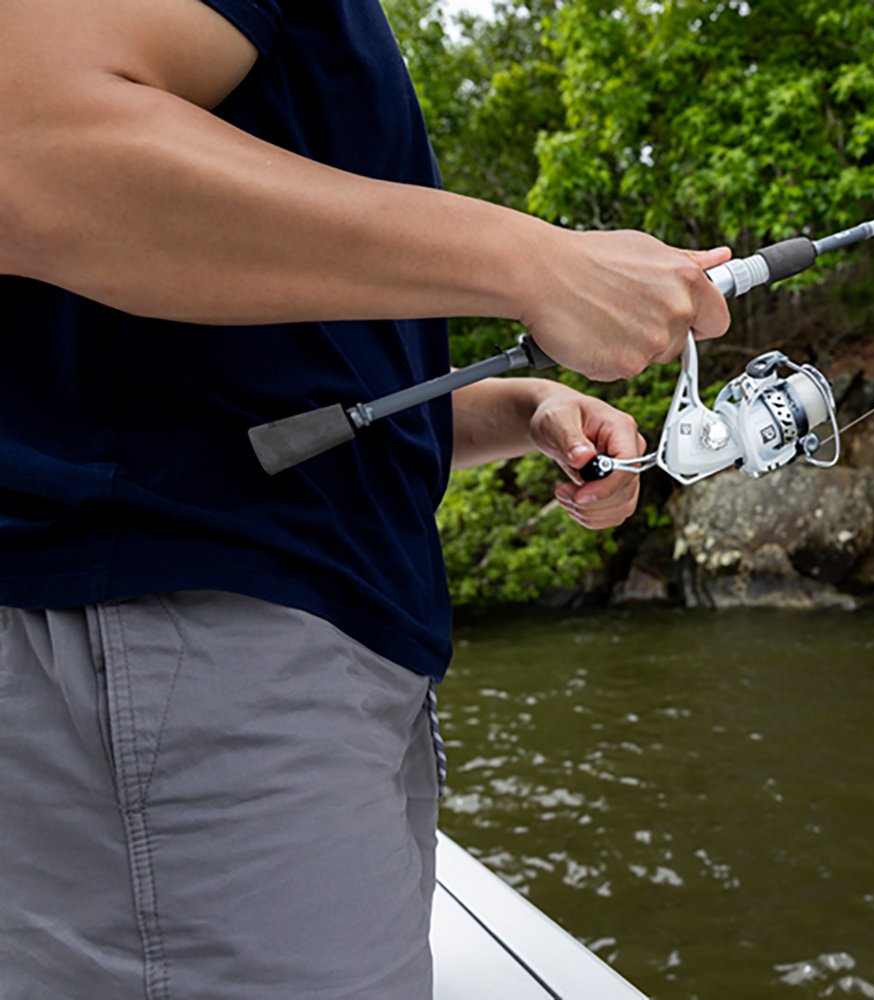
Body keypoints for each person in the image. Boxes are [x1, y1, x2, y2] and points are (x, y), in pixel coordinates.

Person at [0, 0, 732, 997]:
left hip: (296, 668)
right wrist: (532, 260)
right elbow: (24, 145)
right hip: (201, 664)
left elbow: (301, 387)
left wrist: (524, 409)